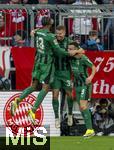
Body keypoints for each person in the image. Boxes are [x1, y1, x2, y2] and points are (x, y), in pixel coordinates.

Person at [10, 17, 78, 124]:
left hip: (37, 62)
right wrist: (69, 53)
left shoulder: (38, 32)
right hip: (46, 65)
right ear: (50, 24)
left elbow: (33, 33)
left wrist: (34, 31)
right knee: (45, 88)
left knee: (33, 86)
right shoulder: (51, 37)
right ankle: (33, 110)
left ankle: (18, 100)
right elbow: (58, 50)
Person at [51, 25, 84, 128]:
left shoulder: (69, 42)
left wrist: (75, 51)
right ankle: (57, 117)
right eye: (57, 33)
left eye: (60, 34)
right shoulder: (53, 41)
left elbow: (81, 51)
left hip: (66, 73)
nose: (58, 35)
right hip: (56, 73)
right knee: (55, 95)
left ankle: (70, 114)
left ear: (64, 33)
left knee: (70, 95)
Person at [68, 41, 96, 137]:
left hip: (85, 85)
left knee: (83, 106)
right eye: (68, 49)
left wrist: (91, 77)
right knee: (81, 108)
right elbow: (81, 50)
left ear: (76, 49)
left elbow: (93, 67)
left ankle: (90, 130)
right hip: (77, 85)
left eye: (71, 49)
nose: (69, 50)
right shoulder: (70, 58)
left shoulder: (83, 58)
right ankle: (89, 129)